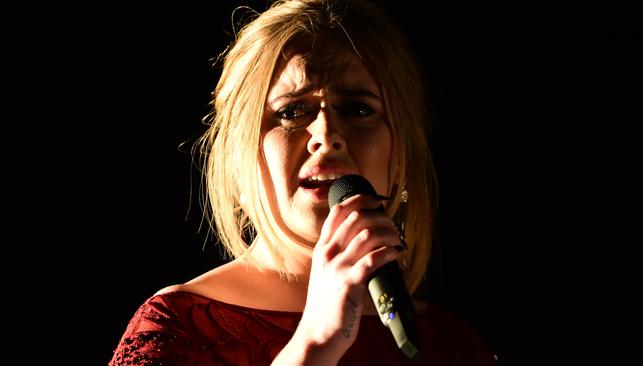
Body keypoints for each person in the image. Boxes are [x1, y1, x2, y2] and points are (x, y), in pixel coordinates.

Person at [108, 0, 497, 364]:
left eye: (359, 108)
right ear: (239, 156)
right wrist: (315, 342)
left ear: (400, 159)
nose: (327, 134)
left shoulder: (449, 342)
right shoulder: (175, 328)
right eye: (292, 110)